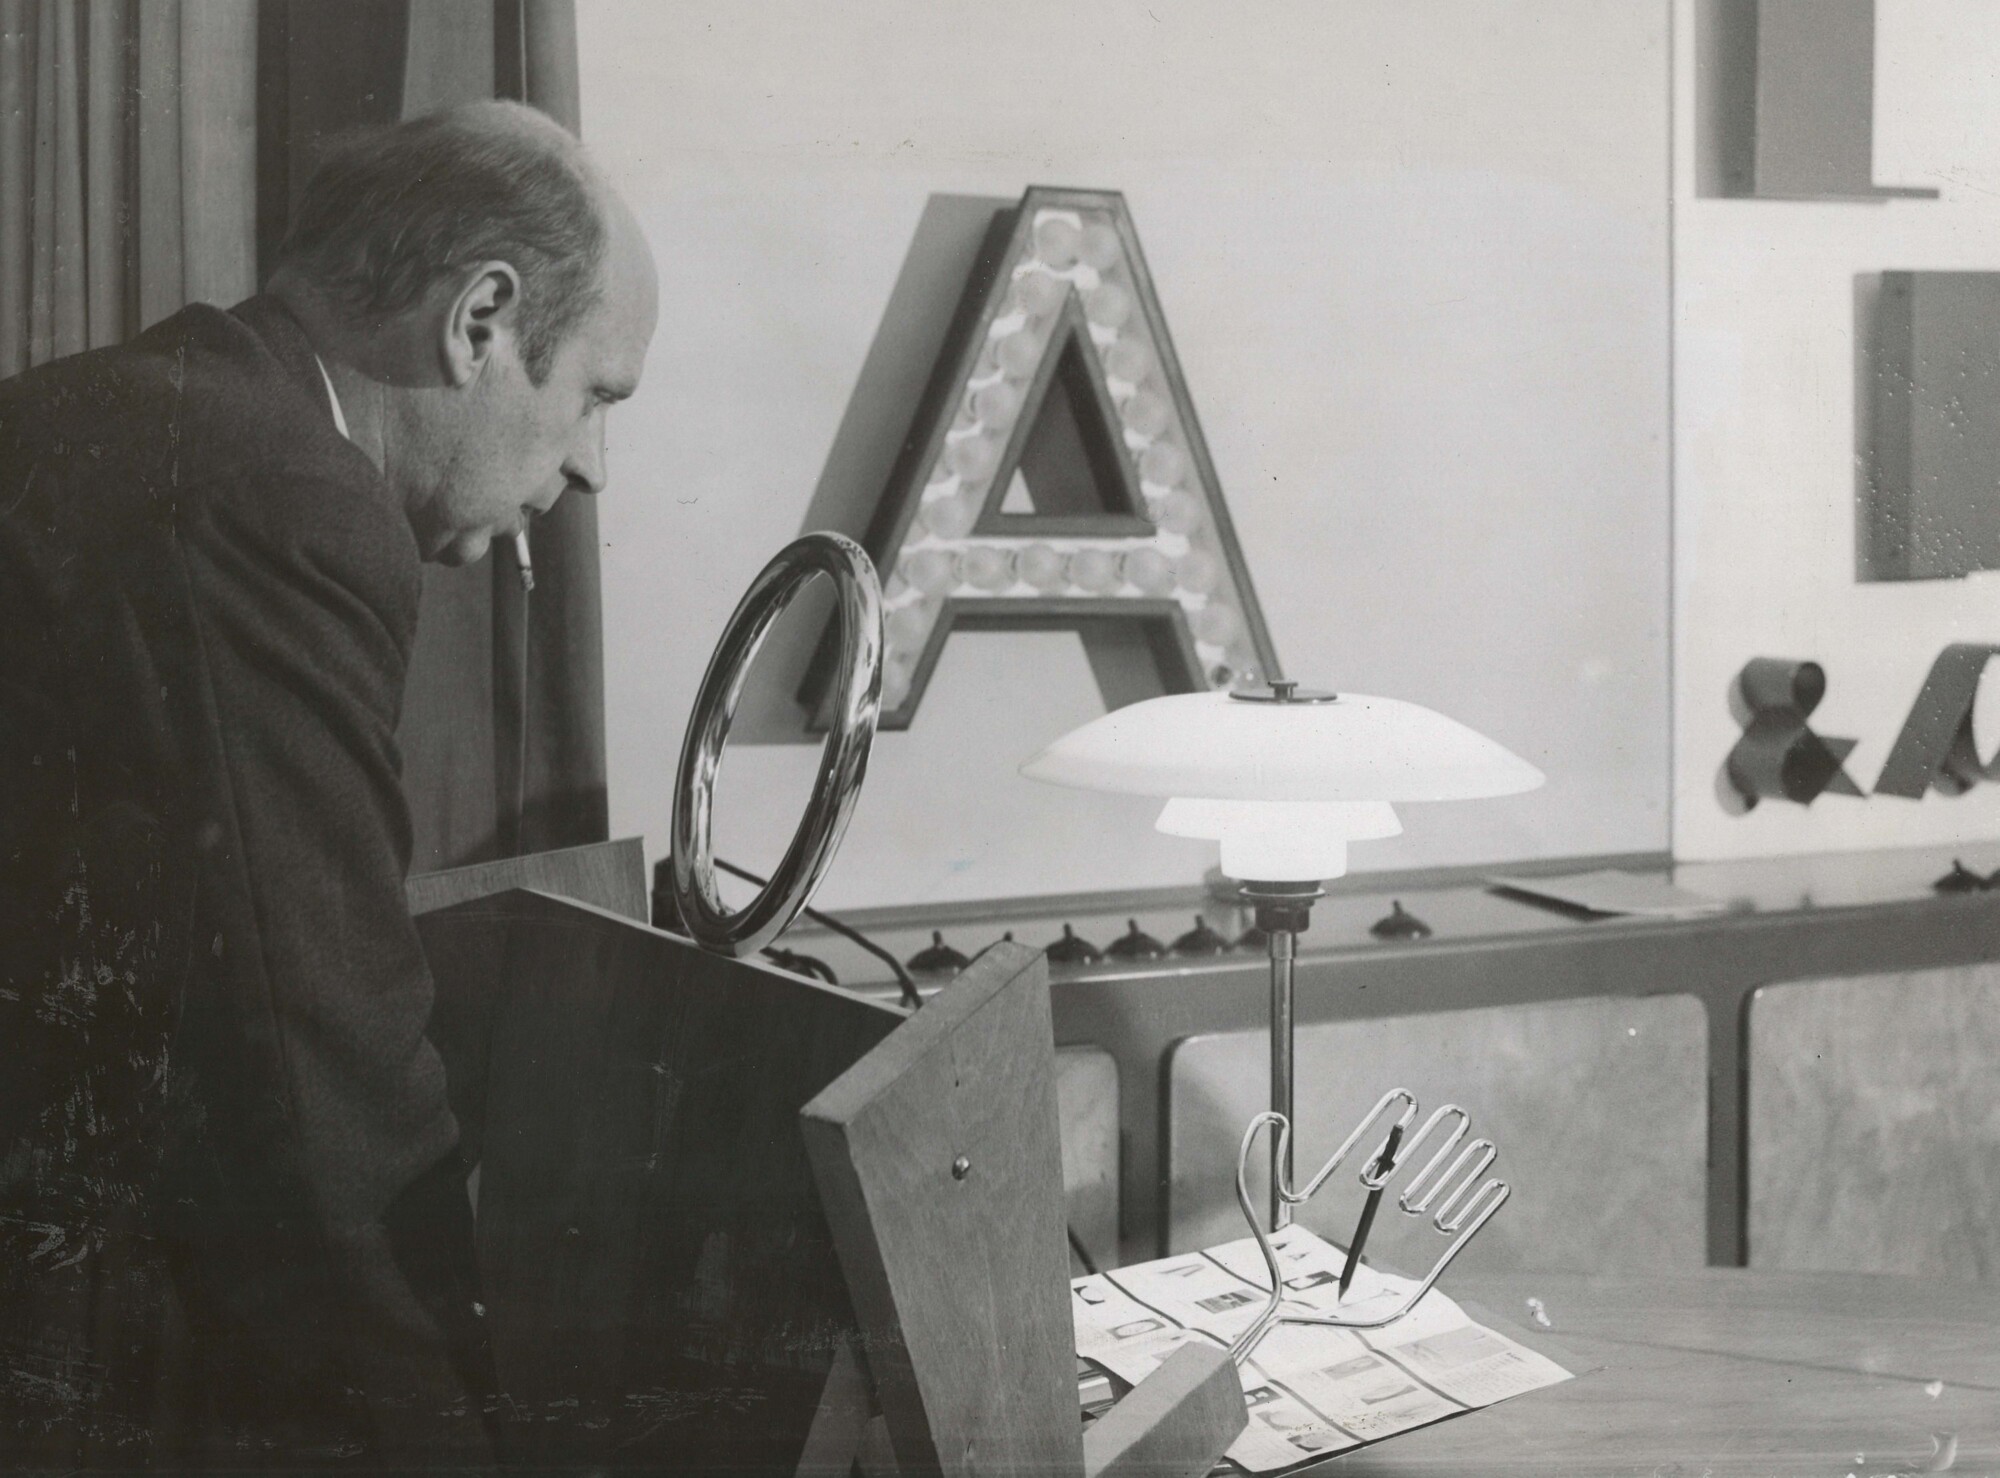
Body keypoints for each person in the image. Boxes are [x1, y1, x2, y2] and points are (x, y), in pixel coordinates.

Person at [0, 100, 658, 1468]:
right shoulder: (281, 494)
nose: (590, 467)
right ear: (480, 320)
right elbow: (316, 1085)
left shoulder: (125, 402)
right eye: (597, 397)